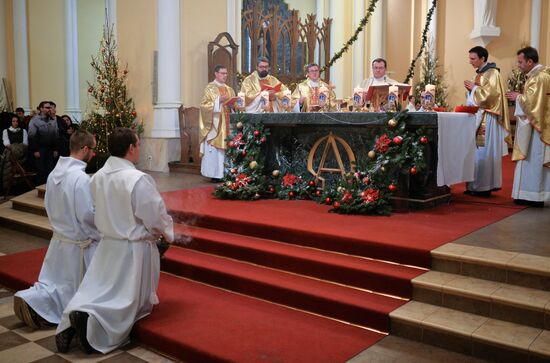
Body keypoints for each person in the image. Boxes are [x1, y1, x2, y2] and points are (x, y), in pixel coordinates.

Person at [55, 127, 174, 354]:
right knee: (124, 300)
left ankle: (76, 314)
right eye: (138, 144)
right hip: (132, 249)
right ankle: (95, 326)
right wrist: (166, 232)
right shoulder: (137, 179)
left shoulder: (97, 177)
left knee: (98, 288)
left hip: (107, 244)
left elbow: (97, 207)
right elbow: (153, 214)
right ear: (131, 148)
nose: (139, 149)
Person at [13, 130, 100, 331]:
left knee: (55, 284)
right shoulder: (79, 178)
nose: (94, 154)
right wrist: (99, 233)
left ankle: (34, 301)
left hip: (60, 240)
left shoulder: (54, 174)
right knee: (70, 290)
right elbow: (86, 215)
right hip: (79, 244)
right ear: (85, 149)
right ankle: (33, 301)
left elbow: (48, 205)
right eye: (93, 149)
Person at [463, 46, 511, 197]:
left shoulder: (493, 73)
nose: (470, 61)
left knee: (483, 151)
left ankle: (483, 187)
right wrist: (472, 89)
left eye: (473, 58)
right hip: (479, 116)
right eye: (469, 58)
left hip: (488, 119)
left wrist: (474, 89)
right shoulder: (482, 73)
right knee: (476, 153)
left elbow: (491, 97)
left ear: (482, 58)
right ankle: (474, 186)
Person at [505, 46, 550, 207]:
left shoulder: (538, 78)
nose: (518, 65)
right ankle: (529, 194)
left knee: (533, 159)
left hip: (536, 129)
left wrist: (518, 97)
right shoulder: (541, 75)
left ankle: (533, 196)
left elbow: (534, 105)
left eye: (520, 62)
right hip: (539, 124)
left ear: (530, 61)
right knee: (531, 160)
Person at [199, 65, 235, 182]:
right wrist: (218, 101)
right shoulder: (210, 88)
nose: (225, 75)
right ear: (216, 73)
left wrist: (233, 104)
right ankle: (215, 174)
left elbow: (234, 106)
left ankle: (226, 173)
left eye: (226, 73)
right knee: (215, 151)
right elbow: (204, 106)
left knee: (227, 149)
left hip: (227, 123)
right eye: (222, 73)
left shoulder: (230, 89)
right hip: (215, 125)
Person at [28, 101, 60, 185]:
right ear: (41, 109)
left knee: (50, 171)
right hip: (40, 150)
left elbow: (56, 136)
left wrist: (56, 149)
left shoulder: (53, 120)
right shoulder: (34, 120)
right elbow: (31, 136)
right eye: (47, 107)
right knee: (41, 171)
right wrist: (35, 150)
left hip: (50, 150)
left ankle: (49, 191)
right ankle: (40, 192)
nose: (49, 109)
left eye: (50, 107)